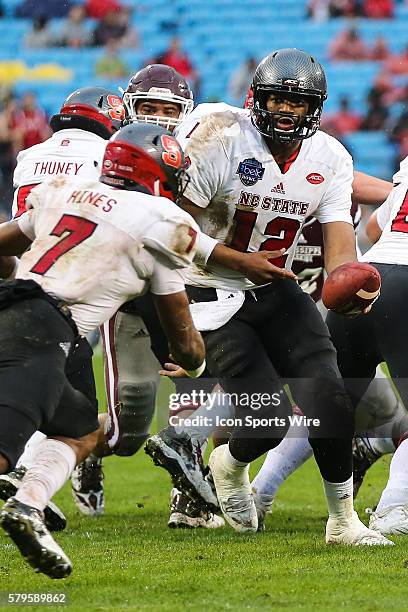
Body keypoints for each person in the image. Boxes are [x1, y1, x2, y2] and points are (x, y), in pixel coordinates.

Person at [145, 48, 394, 545]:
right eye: (278, 99)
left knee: (329, 391)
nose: (287, 110)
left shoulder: (330, 157)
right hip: (208, 285)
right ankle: (230, 464)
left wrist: (353, 283)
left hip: (273, 288)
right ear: (256, 98)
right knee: (268, 420)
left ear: (315, 108)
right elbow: (173, 228)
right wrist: (238, 261)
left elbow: (339, 245)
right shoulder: (217, 135)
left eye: (298, 103)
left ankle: (343, 521)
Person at [0, 122, 205, 578]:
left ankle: (28, 505)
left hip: (22, 316)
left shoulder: (66, 192)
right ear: (155, 171)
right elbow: (181, 333)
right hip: (43, 328)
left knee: (82, 430)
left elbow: (2, 242)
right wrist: (196, 361)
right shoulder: (161, 222)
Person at [70, 65, 196, 518]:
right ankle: (85, 454)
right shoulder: (106, 157)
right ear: (129, 109)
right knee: (130, 433)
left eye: (169, 110)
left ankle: (190, 494)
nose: (160, 119)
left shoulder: (202, 153)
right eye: (149, 109)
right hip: (128, 297)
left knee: (198, 393)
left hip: (188, 292)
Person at [0, 86, 125, 524]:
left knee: (51, 399)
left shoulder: (31, 156)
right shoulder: (108, 154)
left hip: (23, 278)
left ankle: (30, 479)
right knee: (74, 417)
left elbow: (20, 227)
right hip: (70, 287)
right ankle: (25, 478)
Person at [325, 165, 408, 536]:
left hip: (370, 274)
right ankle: (393, 508)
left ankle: (260, 494)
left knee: (331, 407)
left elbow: (374, 230)